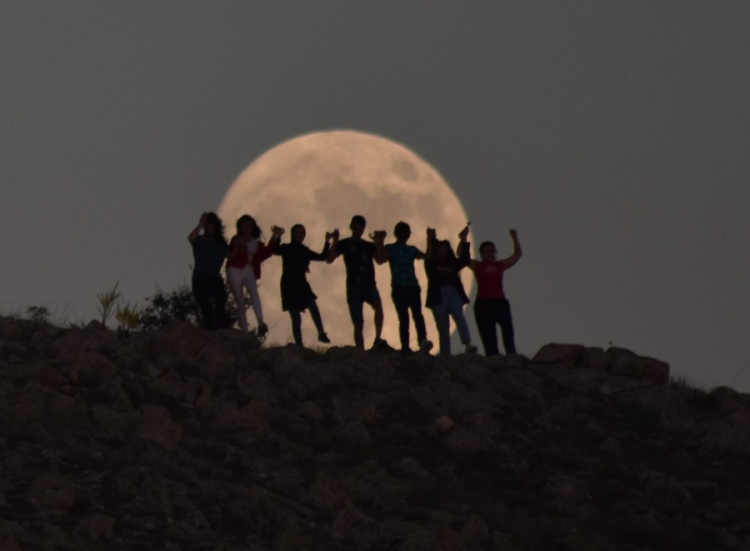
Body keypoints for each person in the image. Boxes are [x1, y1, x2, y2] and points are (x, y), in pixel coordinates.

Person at [327, 215, 385, 349]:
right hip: (354, 286)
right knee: (358, 324)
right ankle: (360, 352)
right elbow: (330, 259)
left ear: (363, 229)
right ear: (351, 227)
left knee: (378, 307)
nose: (357, 231)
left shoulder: (368, 245)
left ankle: (377, 338)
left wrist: (379, 242)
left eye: (360, 228)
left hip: (369, 283)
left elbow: (380, 260)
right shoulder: (345, 243)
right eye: (356, 228)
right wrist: (335, 240)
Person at [374, 222, 433, 354]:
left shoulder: (411, 249)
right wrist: (380, 242)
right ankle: (405, 347)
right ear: (397, 233)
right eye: (403, 232)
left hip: (412, 286)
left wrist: (429, 238)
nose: (405, 234)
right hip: (399, 287)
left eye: (406, 232)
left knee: (417, 315)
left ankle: (422, 341)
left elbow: (428, 256)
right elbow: (382, 259)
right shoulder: (391, 248)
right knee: (404, 317)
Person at [274, 224, 332, 347]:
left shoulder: (304, 250)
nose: (299, 235)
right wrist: (277, 236)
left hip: (301, 283)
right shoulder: (287, 248)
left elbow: (322, 257)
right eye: (297, 232)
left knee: (312, 304)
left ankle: (321, 332)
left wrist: (327, 241)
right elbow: (275, 250)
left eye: (301, 233)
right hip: (289, 284)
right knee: (296, 317)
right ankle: (299, 346)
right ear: (292, 234)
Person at [424, 225, 478, 355]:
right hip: (438, 295)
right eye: (439, 252)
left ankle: (467, 344)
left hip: (453, 293)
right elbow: (428, 258)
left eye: (444, 252)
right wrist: (430, 239)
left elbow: (464, 260)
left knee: (459, 316)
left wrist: (464, 238)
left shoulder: (452, 264)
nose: (442, 255)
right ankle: (445, 354)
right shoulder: (431, 265)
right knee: (443, 327)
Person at [226, 215, 282, 335]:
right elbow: (231, 256)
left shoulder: (255, 243)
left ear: (252, 227)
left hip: (248, 269)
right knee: (240, 300)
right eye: (244, 226)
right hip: (234, 269)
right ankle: (244, 331)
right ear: (240, 227)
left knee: (254, 292)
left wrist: (275, 236)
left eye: (249, 226)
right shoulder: (236, 239)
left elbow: (267, 252)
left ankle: (260, 322)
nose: (246, 228)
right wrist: (238, 245)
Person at [469, 230, 522, 356]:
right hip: (483, 303)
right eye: (485, 251)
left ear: (494, 253)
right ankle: (493, 358)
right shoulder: (478, 265)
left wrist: (514, 238)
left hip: (499, 302)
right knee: (488, 335)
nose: (488, 253)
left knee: (508, 330)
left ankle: (511, 355)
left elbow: (517, 255)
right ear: (481, 253)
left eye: (491, 251)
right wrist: (464, 238)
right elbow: (462, 257)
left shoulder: (499, 265)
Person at [188, 212, 230, 330]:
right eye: (206, 225)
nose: (208, 227)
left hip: (214, 278)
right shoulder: (200, 240)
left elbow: (232, 256)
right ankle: (209, 330)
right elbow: (191, 238)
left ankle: (222, 328)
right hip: (199, 279)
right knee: (206, 307)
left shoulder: (220, 244)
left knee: (220, 301)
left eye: (211, 225)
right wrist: (200, 224)